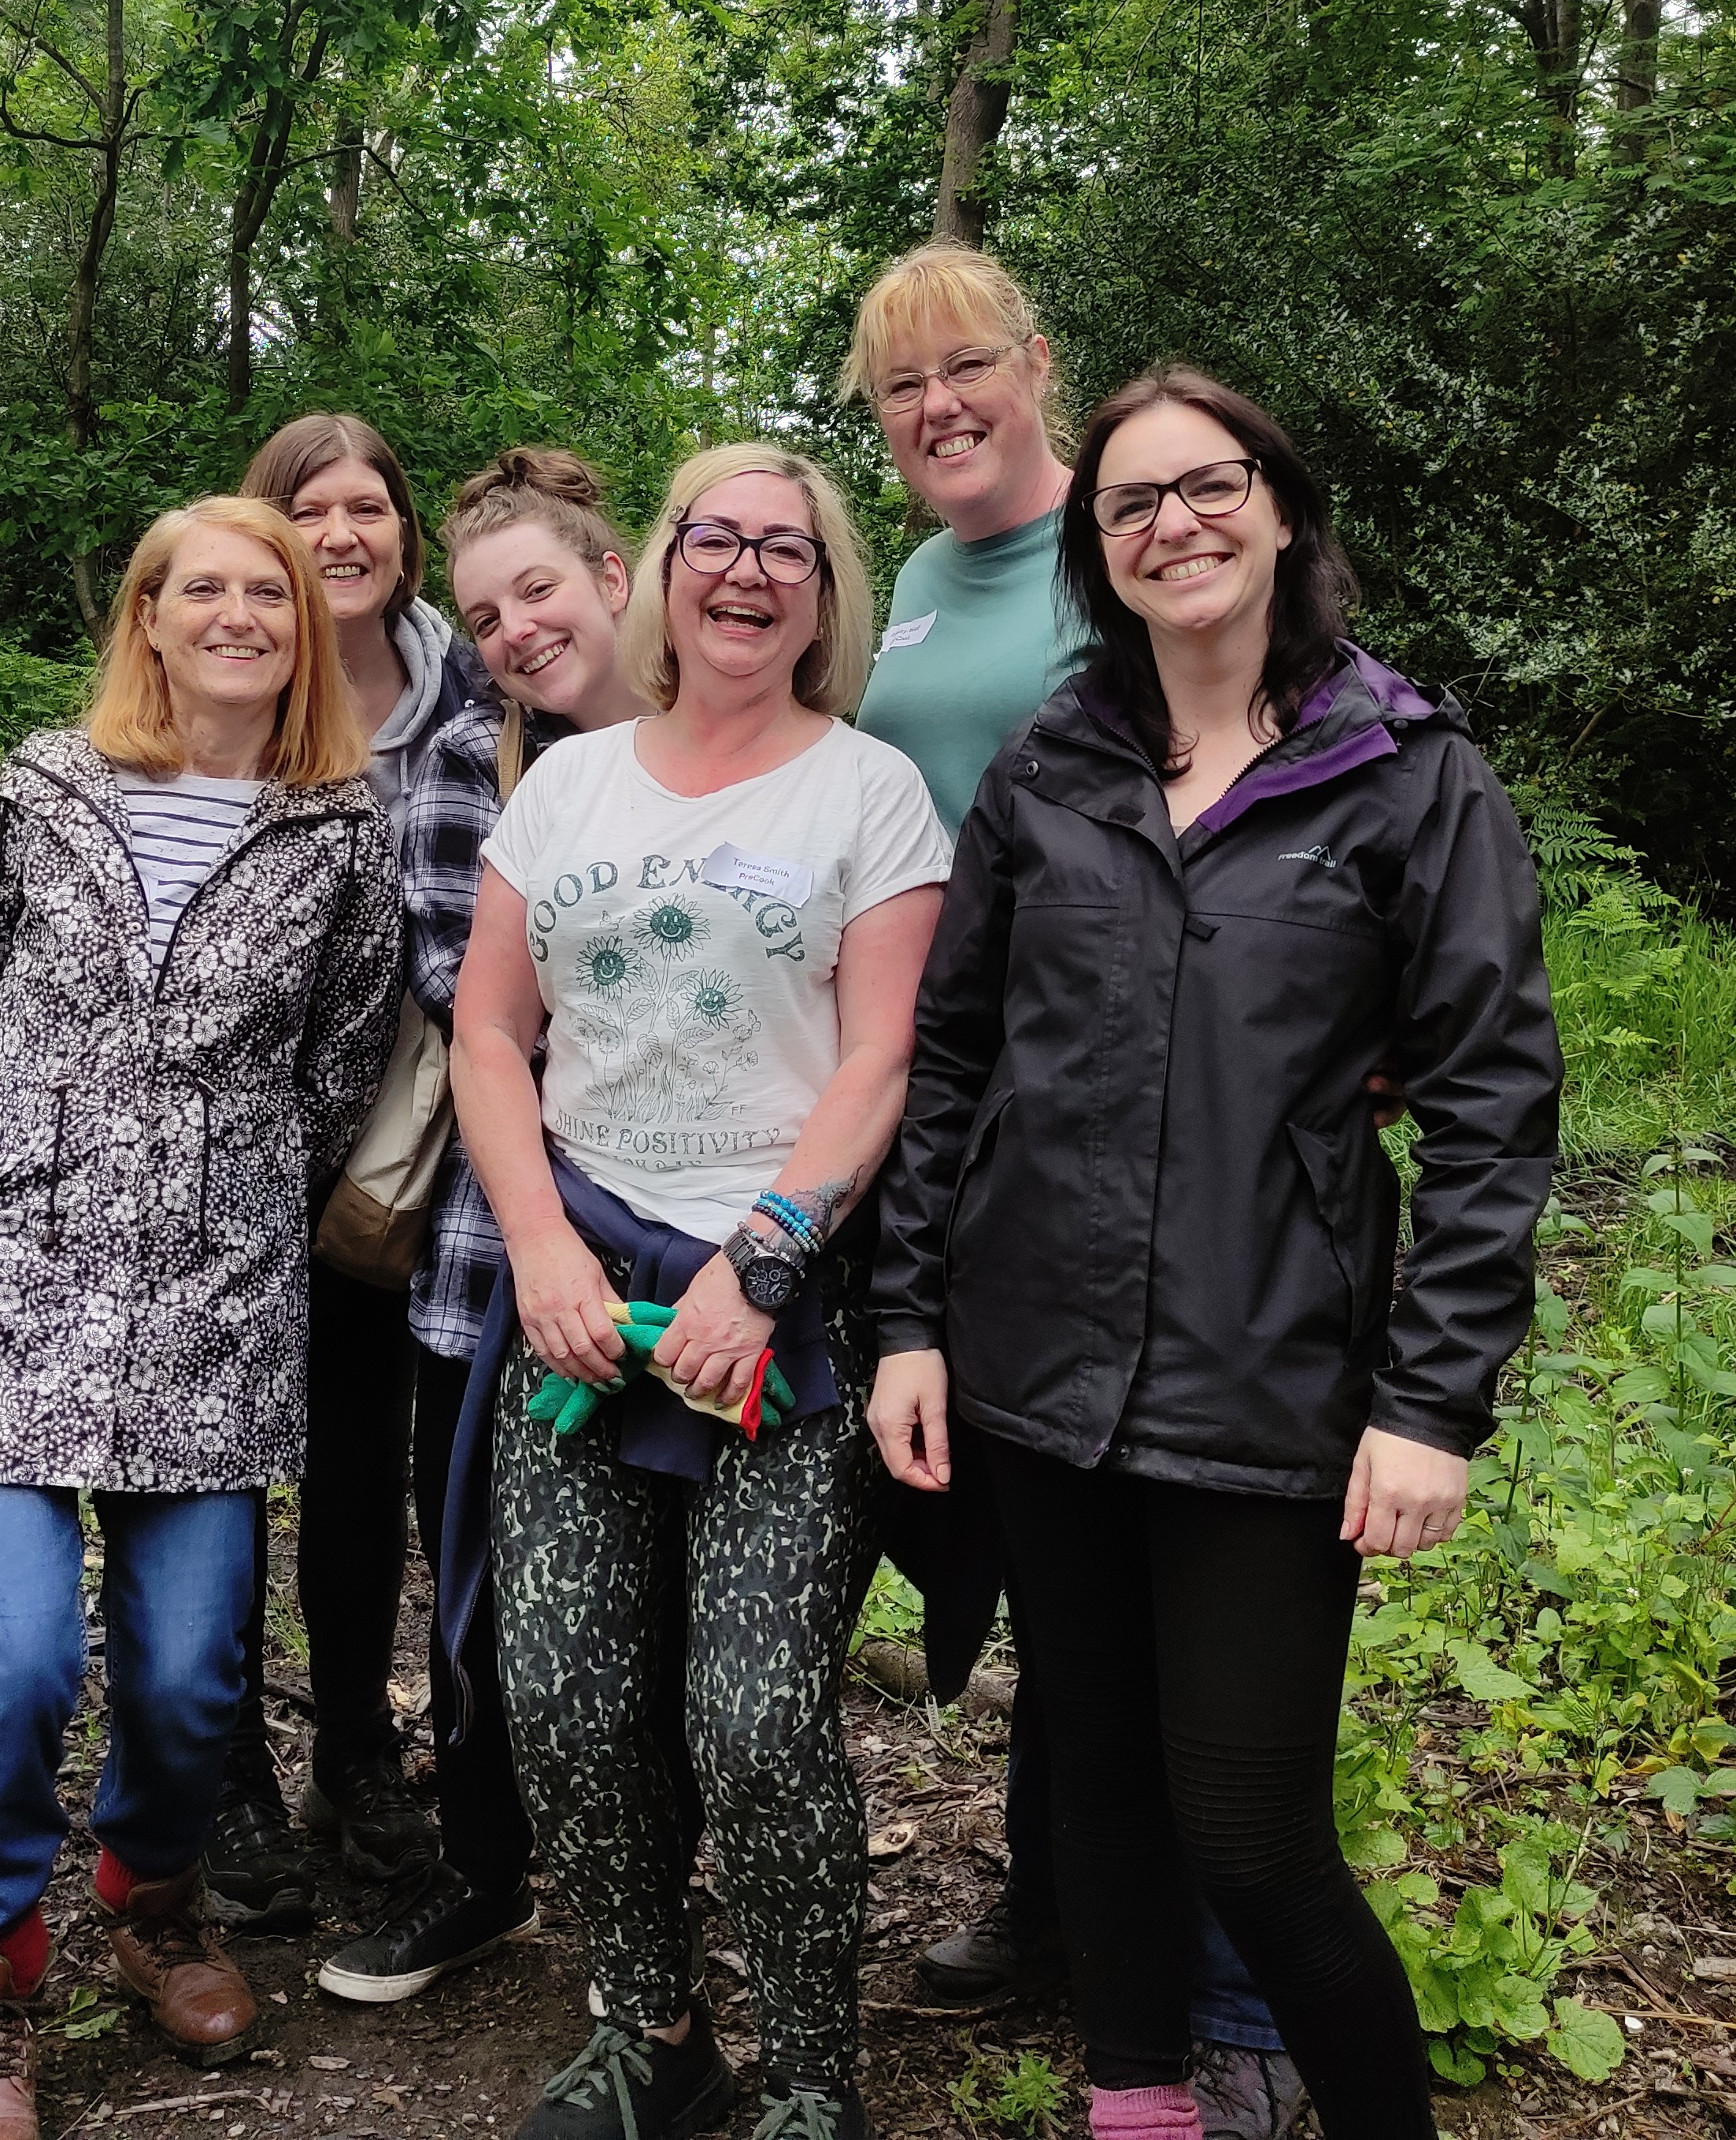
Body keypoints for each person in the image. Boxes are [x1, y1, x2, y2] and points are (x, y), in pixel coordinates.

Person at [868, 365, 1561, 2140]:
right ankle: (1139, 2110)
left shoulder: (1406, 773)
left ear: (1277, 506)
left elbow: (1488, 1102)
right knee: (1092, 1777)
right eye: (1130, 504)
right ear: (1094, 550)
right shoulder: (1051, 767)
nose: (1172, 523)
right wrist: (910, 1325)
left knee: (1249, 1831)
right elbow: (952, 1060)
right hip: (1036, 1367)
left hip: (1272, 1381)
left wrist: (1435, 1402)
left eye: (1207, 486)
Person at [0, 494, 401, 2140]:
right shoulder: (39, 787)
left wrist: (202, 1189)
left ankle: (153, 1900)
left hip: (210, 1297)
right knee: (9, 1665)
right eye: (199, 590)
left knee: (189, 1669)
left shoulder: (338, 833)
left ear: (302, 629)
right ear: (145, 618)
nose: (235, 615)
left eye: (265, 594)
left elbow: (337, 1069)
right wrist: (38, 1163)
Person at [842, 239, 1304, 2138]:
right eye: (899, 390)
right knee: (1045, 1553)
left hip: (1169, 1133)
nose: (940, 408)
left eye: (968, 367)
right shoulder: (916, 602)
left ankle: (1230, 1990)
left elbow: (1271, 771)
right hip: (972, 1125)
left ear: (1039, 362)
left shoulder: (1132, 548)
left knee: (1189, 1559)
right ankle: (1060, 1900)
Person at [453, 442, 953, 2140]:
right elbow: (486, 1033)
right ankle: (653, 2038)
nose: (745, 570)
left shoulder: (870, 791)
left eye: (785, 548)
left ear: (825, 592)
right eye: (713, 538)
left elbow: (885, 1051)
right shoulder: (566, 789)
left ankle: (814, 2085)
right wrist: (533, 1242)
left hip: (780, 1320)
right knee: (564, 1700)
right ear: (658, 569)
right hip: (582, 1302)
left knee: (748, 1719)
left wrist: (767, 1253)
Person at [314, 446, 668, 2002]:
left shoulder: (749, 737)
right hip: (502, 1242)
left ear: (611, 579)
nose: (517, 627)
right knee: (479, 1591)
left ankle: (640, 1909)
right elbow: (483, 1006)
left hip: (716, 1253)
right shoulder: (476, 761)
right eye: (483, 609)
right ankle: (486, 1871)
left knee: (657, 1601)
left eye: (540, 590)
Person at [202, 413, 490, 1927]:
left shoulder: (475, 678)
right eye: (308, 511)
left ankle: (357, 1751)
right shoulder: (234, 671)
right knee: (227, 1455)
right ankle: (229, 1761)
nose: (342, 536)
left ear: (404, 532)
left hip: (406, 1142)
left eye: (369, 506)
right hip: (238, 1140)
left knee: (363, 1450)